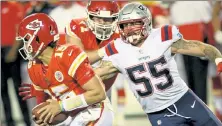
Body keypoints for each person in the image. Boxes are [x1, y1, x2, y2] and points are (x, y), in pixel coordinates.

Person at [88, 2, 222, 126]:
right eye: (125, 25)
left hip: (185, 100)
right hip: (158, 113)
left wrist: (218, 59)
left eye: (134, 23)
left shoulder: (161, 37)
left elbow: (202, 48)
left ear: (146, 22)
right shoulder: (118, 50)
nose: (128, 29)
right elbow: (91, 76)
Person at [16, 13, 113, 126]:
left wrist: (61, 106)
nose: (24, 44)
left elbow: (99, 94)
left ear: (38, 38)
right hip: (72, 116)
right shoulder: (33, 67)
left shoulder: (68, 55)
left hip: (94, 110)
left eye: (26, 39)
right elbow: (48, 105)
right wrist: (45, 116)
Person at [65, 1, 127, 124]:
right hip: (72, 88)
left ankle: (121, 116)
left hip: (102, 91)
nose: (103, 24)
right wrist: (106, 51)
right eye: (99, 19)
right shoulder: (77, 26)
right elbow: (77, 60)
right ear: (90, 17)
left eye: (108, 20)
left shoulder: (122, 33)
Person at [1, 1, 31, 126]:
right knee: (3, 89)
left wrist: (13, 51)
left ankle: (26, 121)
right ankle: (9, 122)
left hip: (11, 50)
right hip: (1, 51)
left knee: (18, 88)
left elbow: (19, 31)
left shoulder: (14, 7)